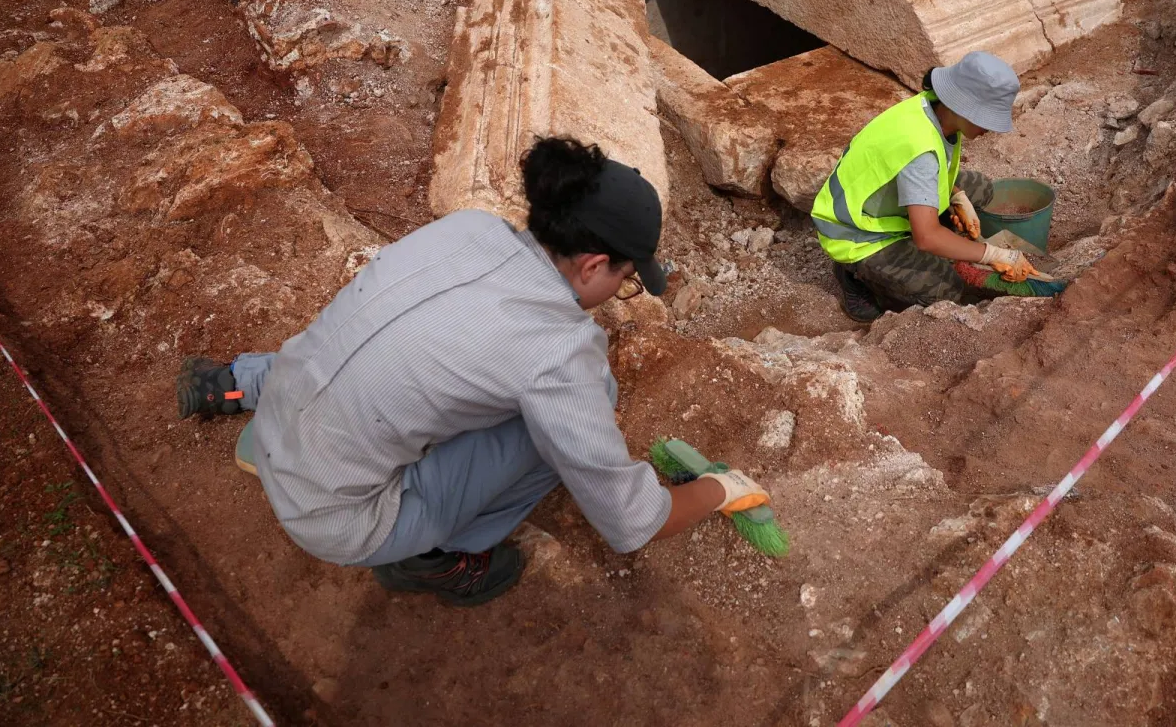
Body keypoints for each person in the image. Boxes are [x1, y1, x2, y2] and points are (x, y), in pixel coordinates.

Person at [174, 137, 769, 607]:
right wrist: (720, 489)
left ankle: (236, 382)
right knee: (562, 425)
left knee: (397, 343)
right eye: (626, 279)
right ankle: (436, 558)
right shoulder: (559, 352)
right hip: (338, 518)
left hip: (286, 404)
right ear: (592, 265)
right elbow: (632, 521)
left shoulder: (469, 228)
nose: (622, 290)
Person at [811, 50, 1042, 322]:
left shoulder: (932, 109)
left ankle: (940, 234)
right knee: (947, 291)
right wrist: (991, 254)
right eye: (987, 118)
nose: (990, 128)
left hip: (886, 205)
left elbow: (929, 171)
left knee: (980, 188)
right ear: (962, 106)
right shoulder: (919, 148)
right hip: (858, 234)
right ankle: (857, 277)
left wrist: (956, 195)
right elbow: (927, 237)